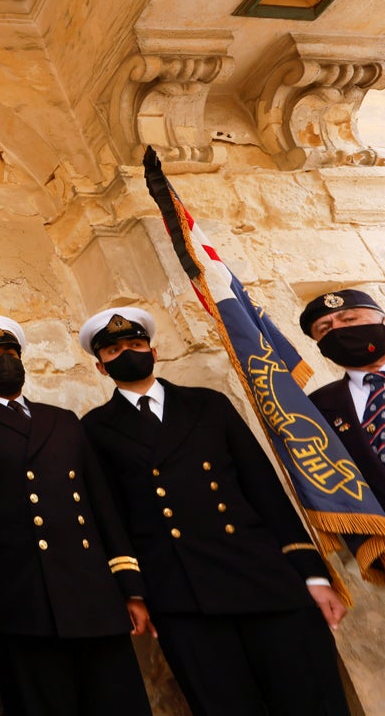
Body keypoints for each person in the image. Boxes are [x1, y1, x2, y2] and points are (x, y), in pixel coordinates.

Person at [79, 307, 350, 716]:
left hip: (264, 578)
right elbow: (111, 516)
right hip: (181, 596)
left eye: (135, 344)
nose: (127, 353)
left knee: (313, 700)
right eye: (115, 350)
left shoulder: (208, 404)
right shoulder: (95, 427)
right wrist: (133, 591)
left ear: (153, 351)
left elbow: (263, 488)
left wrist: (311, 573)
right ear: (101, 367)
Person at [0, 315, 153, 716]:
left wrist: (130, 586)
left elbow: (100, 507)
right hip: (20, 602)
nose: (3, 361)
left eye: (10, 353)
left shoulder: (62, 420)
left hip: (92, 594)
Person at [300, 289, 385, 557]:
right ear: (322, 349)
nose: (338, 330)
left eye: (349, 319)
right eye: (324, 328)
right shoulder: (317, 407)